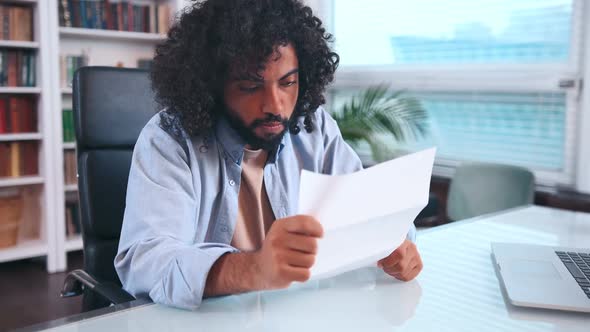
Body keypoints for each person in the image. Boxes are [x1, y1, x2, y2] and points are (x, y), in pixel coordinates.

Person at [115, 0, 423, 310]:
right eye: (251, 86)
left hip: (296, 314)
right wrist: (253, 269)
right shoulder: (169, 140)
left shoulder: (314, 129)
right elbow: (146, 261)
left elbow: (368, 208)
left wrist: (396, 243)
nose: (275, 105)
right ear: (212, 84)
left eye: (288, 82)